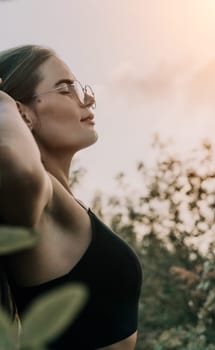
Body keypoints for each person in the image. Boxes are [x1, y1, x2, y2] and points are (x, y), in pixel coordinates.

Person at [0, 45, 142, 350]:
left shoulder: (62, 201)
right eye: (65, 89)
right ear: (21, 112)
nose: (88, 99)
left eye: (79, 88)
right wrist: (0, 102)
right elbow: (19, 170)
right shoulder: (42, 202)